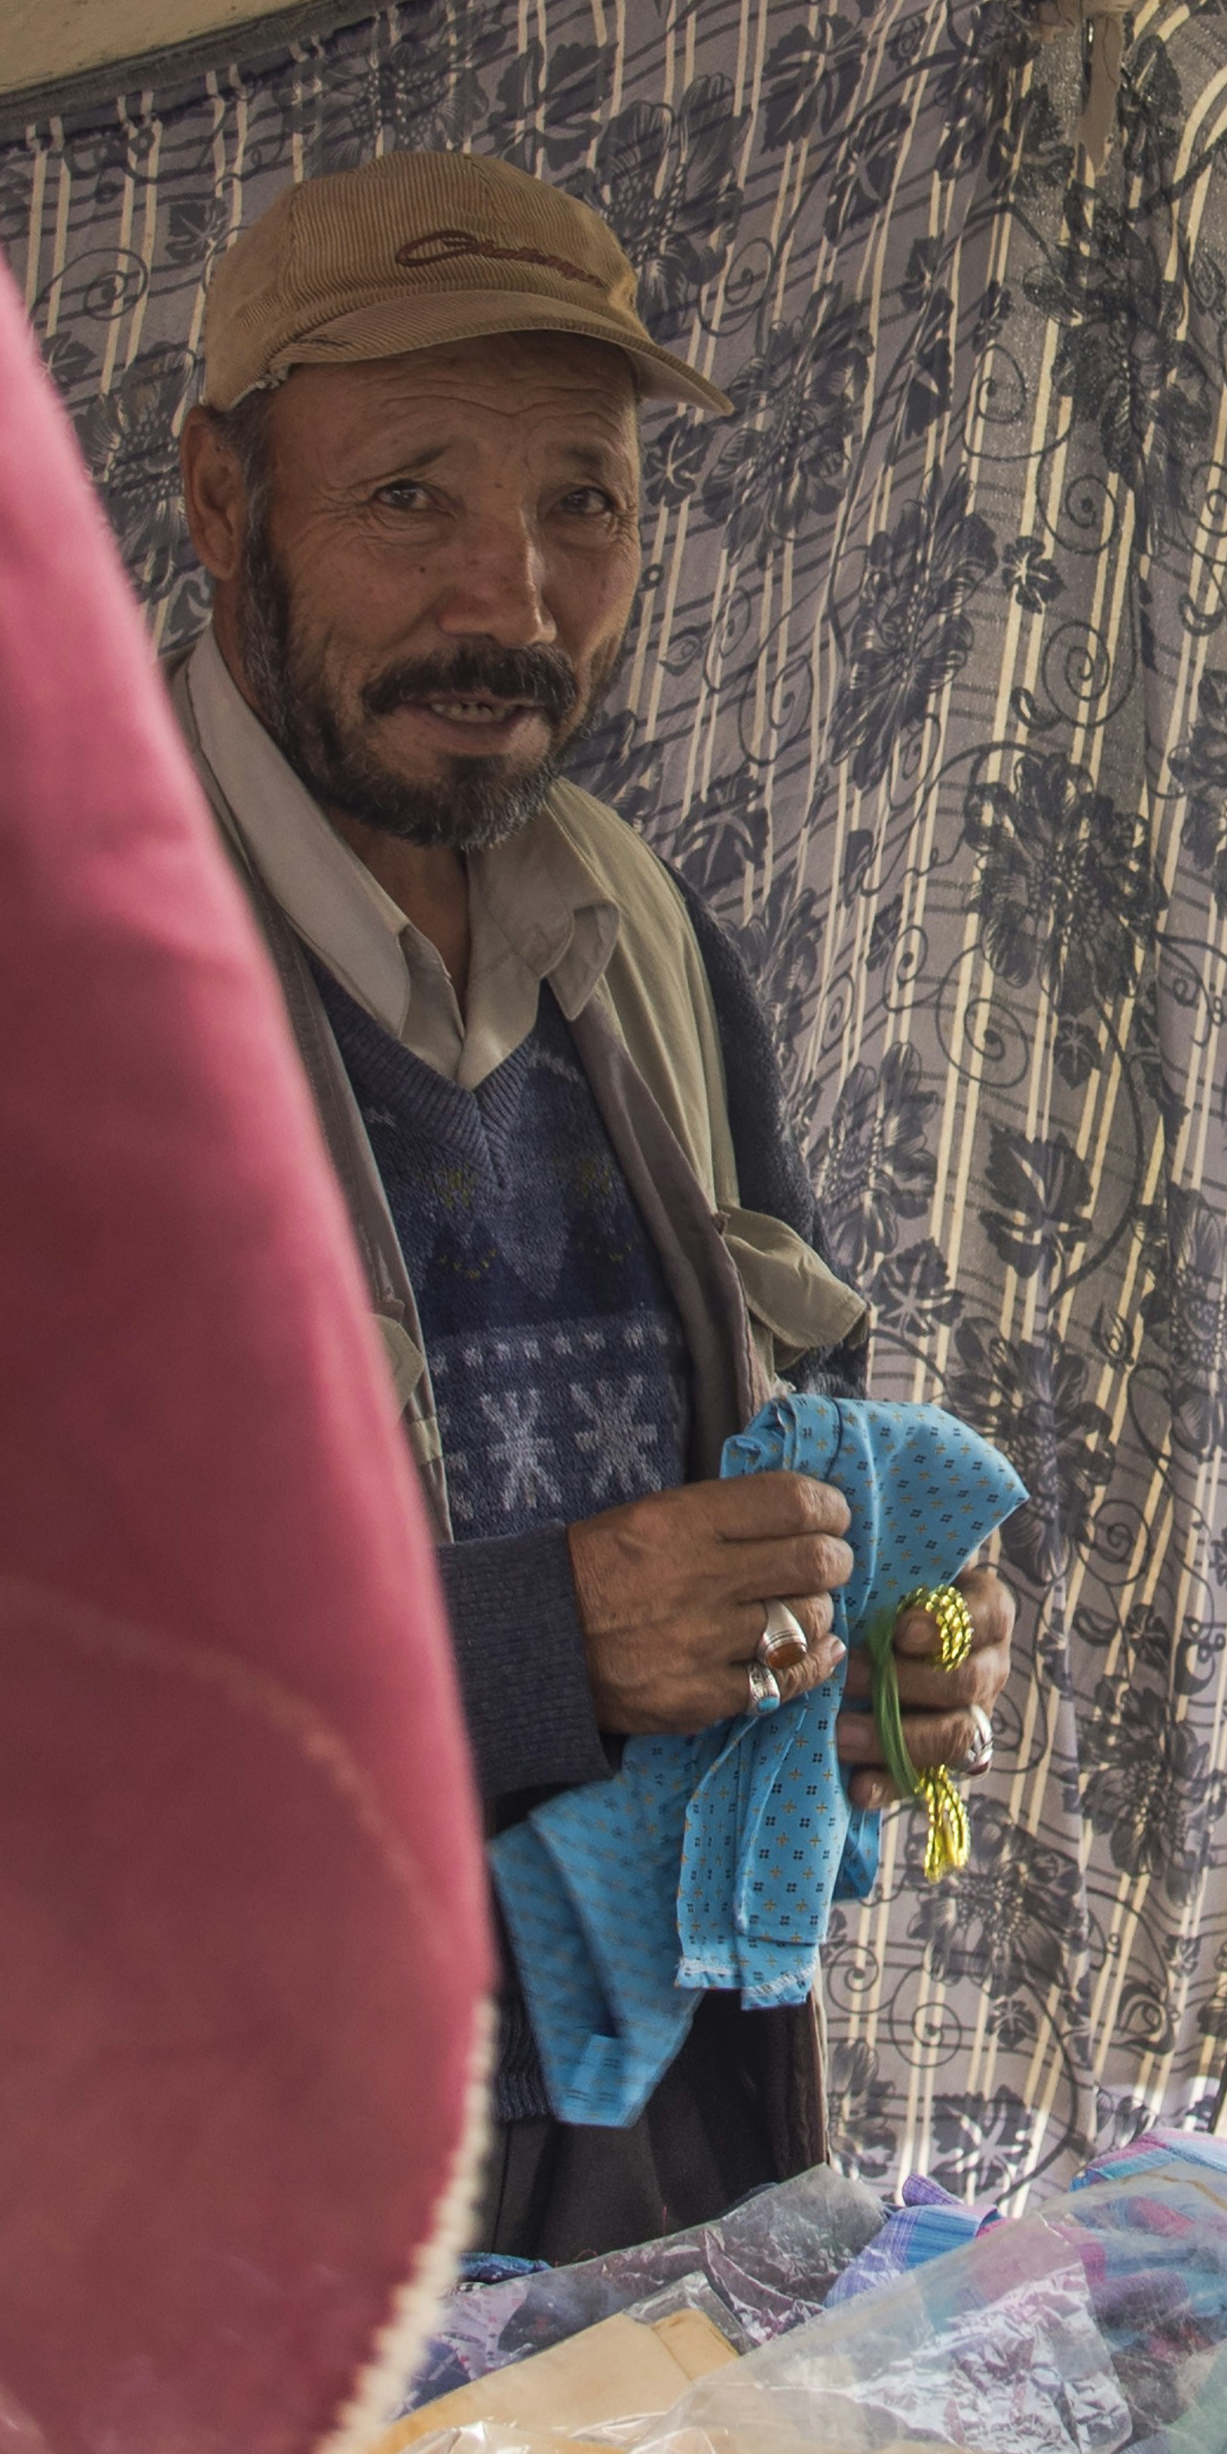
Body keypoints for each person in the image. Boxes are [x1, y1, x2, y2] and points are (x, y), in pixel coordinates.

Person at [167, 150, 1009, 2256]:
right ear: (218, 502)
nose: (511, 603)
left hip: (649, 2150)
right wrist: (540, 1641)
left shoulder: (636, 922)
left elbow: (795, 1439)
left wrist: (889, 1643)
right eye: (408, 499)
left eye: (583, 505)